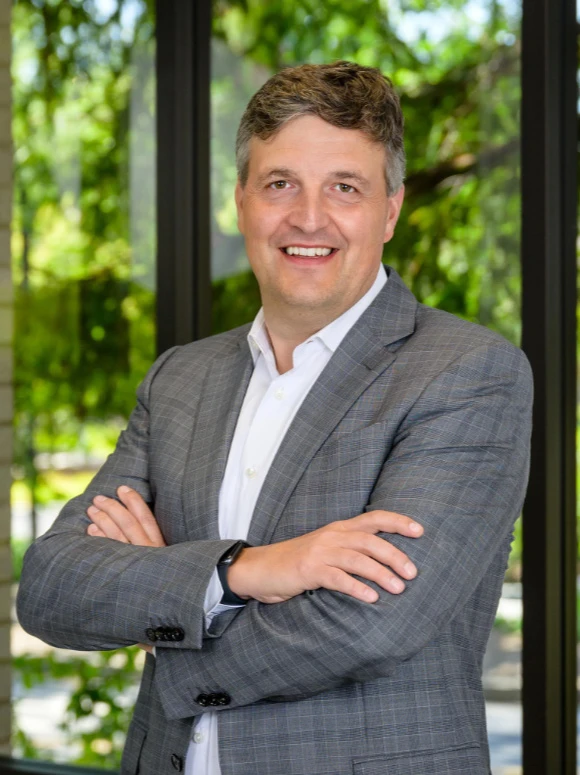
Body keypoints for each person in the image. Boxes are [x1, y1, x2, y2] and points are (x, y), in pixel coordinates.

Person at [17, 61, 532, 775]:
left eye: (344, 188)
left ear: (390, 209)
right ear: (242, 202)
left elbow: (371, 622)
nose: (309, 217)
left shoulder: (467, 372)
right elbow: (52, 583)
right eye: (280, 183)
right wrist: (246, 571)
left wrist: (164, 608)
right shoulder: (180, 379)